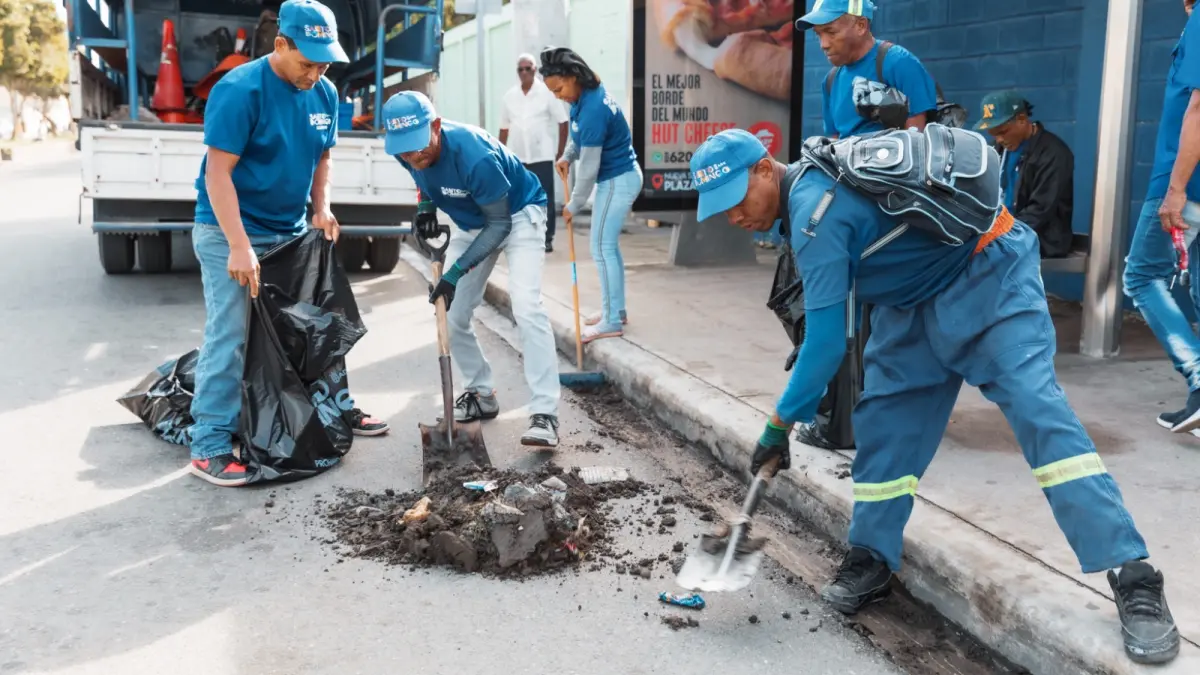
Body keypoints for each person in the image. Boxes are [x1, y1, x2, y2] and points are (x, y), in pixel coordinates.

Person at [690, 128, 1181, 665]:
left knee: (1040, 413)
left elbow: (828, 344)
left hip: (987, 274)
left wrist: (777, 428)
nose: (735, 217)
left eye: (737, 200)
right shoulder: (810, 189)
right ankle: (872, 557)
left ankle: (1132, 573)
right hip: (910, 302)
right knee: (885, 428)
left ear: (765, 168)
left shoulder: (814, 213)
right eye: (723, 211)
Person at [190, 0, 389, 488]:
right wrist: (239, 246)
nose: (316, 72)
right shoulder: (240, 90)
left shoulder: (323, 91)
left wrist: (321, 208)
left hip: (290, 231)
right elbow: (218, 174)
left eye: (324, 62)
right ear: (281, 44)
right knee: (233, 333)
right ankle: (210, 443)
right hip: (230, 232)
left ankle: (331, 411)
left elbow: (324, 158)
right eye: (308, 61)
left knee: (309, 328)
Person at [384, 90, 562, 447]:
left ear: (435, 126)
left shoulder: (473, 154)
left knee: (527, 308)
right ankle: (481, 394)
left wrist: (453, 274)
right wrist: (425, 210)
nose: (412, 156)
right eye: (404, 150)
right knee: (451, 314)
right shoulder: (406, 151)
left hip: (518, 215)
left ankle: (545, 413)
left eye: (418, 147)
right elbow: (426, 183)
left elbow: (499, 226)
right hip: (471, 223)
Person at [1124, 0, 1200, 435]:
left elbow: (1198, 108)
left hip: (1185, 182)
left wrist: (1175, 189)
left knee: (1141, 276)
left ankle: (1197, 374)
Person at [540, 46, 642, 342]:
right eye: (553, 93)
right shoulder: (582, 98)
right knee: (608, 247)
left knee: (601, 248)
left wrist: (573, 204)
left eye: (559, 88)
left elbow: (589, 168)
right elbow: (577, 137)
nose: (558, 96)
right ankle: (616, 311)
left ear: (573, 76)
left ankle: (611, 320)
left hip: (617, 179)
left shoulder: (594, 106)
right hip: (616, 178)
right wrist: (566, 156)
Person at [796, 0, 937, 138]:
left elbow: (915, 141)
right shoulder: (830, 81)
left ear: (861, 26)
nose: (823, 44)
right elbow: (834, 143)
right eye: (818, 34)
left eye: (831, 32)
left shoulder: (899, 63)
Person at [975, 90, 1074, 259]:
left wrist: (998, 236)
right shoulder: (996, 149)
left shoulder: (1054, 153)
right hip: (1001, 233)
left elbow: (1039, 211)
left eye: (1003, 131)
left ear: (1022, 119)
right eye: (993, 134)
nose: (998, 139)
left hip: (1040, 238)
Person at [499, 53, 569, 253]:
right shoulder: (510, 96)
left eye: (527, 68)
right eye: (520, 69)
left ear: (535, 70)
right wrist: (500, 156)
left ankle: (547, 238)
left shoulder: (547, 93)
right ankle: (522, 237)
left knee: (544, 199)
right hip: (518, 157)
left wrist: (561, 153)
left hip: (542, 156)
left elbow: (563, 122)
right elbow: (504, 128)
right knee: (520, 199)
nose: (524, 72)